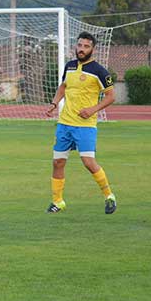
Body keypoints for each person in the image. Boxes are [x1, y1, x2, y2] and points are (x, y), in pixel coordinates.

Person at [45, 31, 117, 214]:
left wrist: (93, 109)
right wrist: (54, 103)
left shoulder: (100, 71)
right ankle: (57, 202)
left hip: (85, 126)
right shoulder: (69, 66)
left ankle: (109, 196)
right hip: (64, 124)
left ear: (93, 49)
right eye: (79, 45)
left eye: (86, 46)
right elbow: (63, 87)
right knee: (57, 162)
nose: (81, 49)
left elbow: (111, 96)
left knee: (88, 162)